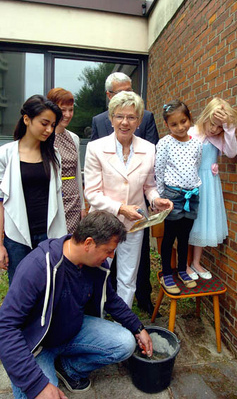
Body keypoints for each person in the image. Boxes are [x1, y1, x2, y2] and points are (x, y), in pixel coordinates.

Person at [0, 211, 153, 399]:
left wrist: (138, 328)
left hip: (73, 333)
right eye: (108, 250)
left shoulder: (96, 266)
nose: (111, 256)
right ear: (88, 243)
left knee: (125, 343)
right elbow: (5, 328)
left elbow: (111, 300)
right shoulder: (38, 267)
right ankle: (45, 371)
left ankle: (69, 369)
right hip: (38, 346)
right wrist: (36, 385)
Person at [84, 91, 173, 308]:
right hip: (103, 224)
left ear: (139, 121)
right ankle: (98, 318)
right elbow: (92, 193)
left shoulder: (149, 149)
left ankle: (123, 325)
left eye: (131, 117)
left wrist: (155, 200)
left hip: (135, 223)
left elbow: (149, 186)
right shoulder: (96, 148)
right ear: (111, 119)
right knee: (100, 274)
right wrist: (121, 208)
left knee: (128, 277)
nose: (125, 122)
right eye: (119, 116)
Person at [0, 94, 67, 284]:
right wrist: (0, 245)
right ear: (27, 119)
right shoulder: (5, 154)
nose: (49, 129)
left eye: (53, 125)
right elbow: (0, 202)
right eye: (44, 123)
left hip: (48, 233)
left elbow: (57, 198)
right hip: (17, 236)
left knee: (49, 285)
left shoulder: (53, 155)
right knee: (20, 288)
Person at [187, 97, 237, 279]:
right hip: (192, 182)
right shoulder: (192, 132)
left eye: (219, 126)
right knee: (188, 222)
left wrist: (228, 128)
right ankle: (184, 265)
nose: (214, 129)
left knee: (203, 221)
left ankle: (196, 263)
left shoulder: (219, 137)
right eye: (213, 124)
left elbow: (232, 152)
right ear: (206, 116)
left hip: (210, 184)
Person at [155, 100, 202, 295]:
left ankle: (183, 270)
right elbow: (159, 169)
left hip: (192, 195)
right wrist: (159, 196)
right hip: (172, 196)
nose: (180, 127)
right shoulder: (165, 143)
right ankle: (167, 272)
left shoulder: (197, 143)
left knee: (185, 236)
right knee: (169, 236)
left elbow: (196, 165)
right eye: (174, 124)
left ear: (189, 119)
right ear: (167, 125)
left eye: (183, 121)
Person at [47, 88, 86, 233]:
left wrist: (82, 206)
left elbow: (77, 173)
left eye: (71, 110)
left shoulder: (74, 138)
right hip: (53, 200)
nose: (68, 115)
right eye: (63, 110)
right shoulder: (44, 137)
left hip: (74, 200)